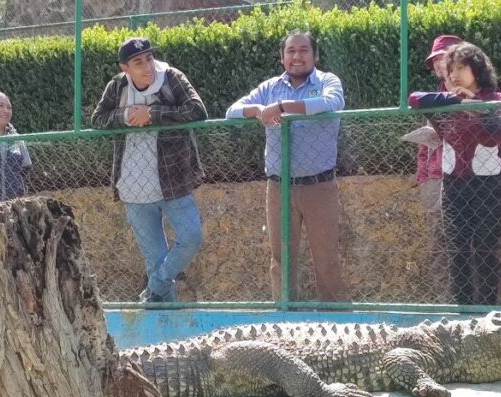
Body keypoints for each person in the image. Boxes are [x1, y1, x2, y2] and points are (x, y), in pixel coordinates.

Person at [225, 30, 346, 301]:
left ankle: (336, 321)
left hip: (319, 185)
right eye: (290, 51)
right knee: (281, 259)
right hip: (279, 188)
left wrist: (282, 107)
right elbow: (231, 110)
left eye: (304, 50)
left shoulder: (327, 81)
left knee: (326, 258)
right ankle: (285, 318)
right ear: (282, 57)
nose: (297, 56)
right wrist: (257, 110)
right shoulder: (268, 88)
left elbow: (331, 103)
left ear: (315, 55)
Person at [91, 37, 207, 303]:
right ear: (125, 67)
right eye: (138, 62)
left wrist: (153, 114)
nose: (146, 66)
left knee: (191, 238)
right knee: (154, 258)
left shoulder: (171, 78)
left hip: (173, 180)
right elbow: (98, 118)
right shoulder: (118, 86)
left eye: (149, 58)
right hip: (132, 185)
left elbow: (197, 110)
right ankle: (165, 328)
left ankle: (155, 287)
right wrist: (126, 116)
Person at [409, 42, 501, 305]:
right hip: (454, 186)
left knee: (485, 251)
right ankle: (463, 312)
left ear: (477, 69)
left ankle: (487, 314)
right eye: (450, 68)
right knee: (458, 252)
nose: (453, 74)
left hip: (491, 187)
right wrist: (456, 99)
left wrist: (476, 107)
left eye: (460, 67)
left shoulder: (497, 99)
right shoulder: (446, 101)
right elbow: (414, 99)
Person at [415, 34, 461, 302]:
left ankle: (474, 304)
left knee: (470, 246)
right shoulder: (430, 99)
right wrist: (423, 178)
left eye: (445, 58)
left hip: (466, 179)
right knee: (439, 246)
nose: (440, 65)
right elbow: (423, 147)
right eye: (436, 61)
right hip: (434, 180)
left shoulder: (479, 95)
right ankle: (446, 303)